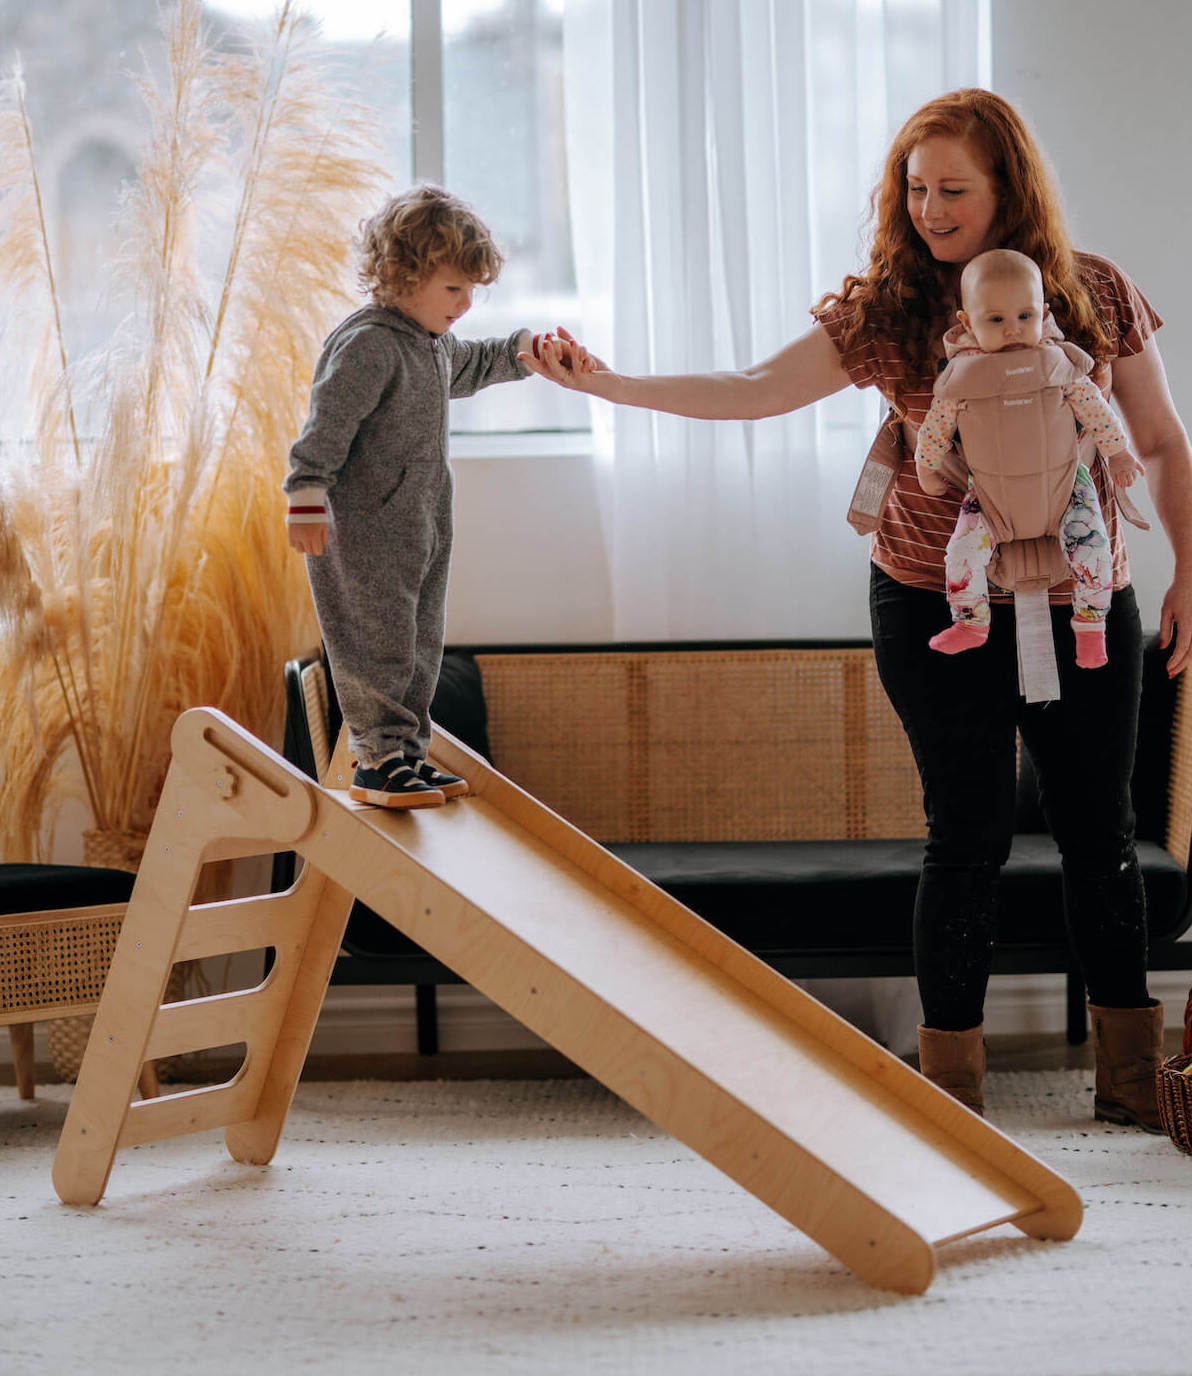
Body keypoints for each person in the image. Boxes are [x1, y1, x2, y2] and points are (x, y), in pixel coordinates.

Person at [522, 90, 1192, 1129]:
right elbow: (752, 386)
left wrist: (1189, 568)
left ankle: (1131, 1080)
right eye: (915, 189)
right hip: (934, 600)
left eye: (953, 189)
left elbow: (1156, 440)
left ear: (1009, 189)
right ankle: (951, 1091)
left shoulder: (1092, 290)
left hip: (1084, 600)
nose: (929, 210)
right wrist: (609, 388)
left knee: (1098, 831)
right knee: (966, 831)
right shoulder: (890, 309)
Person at [285, 184, 580, 809]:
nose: (466, 304)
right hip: (364, 532)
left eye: (471, 290)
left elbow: (473, 363)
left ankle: (406, 755)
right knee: (379, 646)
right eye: (453, 289)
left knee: (422, 644)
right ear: (403, 275)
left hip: (419, 525)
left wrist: (528, 351)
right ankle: (377, 760)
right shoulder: (369, 344)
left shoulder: (430, 342)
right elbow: (326, 424)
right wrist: (306, 492)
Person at [915, 248, 1145, 667]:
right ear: (967, 322)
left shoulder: (1059, 365)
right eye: (996, 320)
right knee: (961, 555)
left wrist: (1119, 453)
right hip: (991, 499)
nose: (1013, 330)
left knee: (1095, 550)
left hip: (1065, 489)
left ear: (1044, 313)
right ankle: (970, 621)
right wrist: (927, 466)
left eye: (1025, 316)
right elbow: (936, 428)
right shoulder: (961, 380)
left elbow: (1096, 411)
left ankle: (1091, 624)